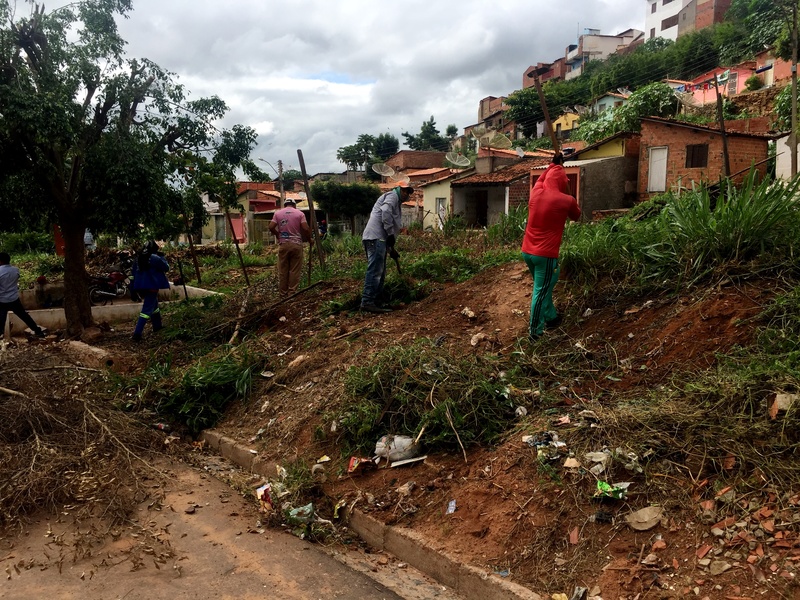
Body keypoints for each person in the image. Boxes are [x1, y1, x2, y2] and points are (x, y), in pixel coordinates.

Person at [521, 154, 581, 340]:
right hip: (545, 255)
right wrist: (570, 197)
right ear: (563, 182)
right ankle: (535, 333)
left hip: (527, 252)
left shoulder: (536, 191)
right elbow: (577, 216)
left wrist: (554, 164)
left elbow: (541, 178)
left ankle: (552, 318)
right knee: (540, 292)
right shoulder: (565, 200)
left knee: (544, 286)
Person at [360, 180, 413, 313]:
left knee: (380, 271)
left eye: (408, 192)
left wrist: (391, 250)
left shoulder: (396, 201)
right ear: (399, 189)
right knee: (375, 271)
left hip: (377, 239)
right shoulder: (392, 196)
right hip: (376, 238)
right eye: (405, 190)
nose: (407, 194)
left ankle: (376, 301)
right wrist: (390, 233)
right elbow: (385, 212)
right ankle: (367, 302)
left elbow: (387, 235)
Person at [269, 198, 312, 297]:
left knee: (283, 270)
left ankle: (283, 294)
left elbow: (271, 227)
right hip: (296, 244)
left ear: (285, 205)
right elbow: (305, 228)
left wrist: (277, 235)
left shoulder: (278, 213)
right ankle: (292, 293)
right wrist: (310, 240)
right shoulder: (300, 214)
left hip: (283, 244)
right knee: (294, 270)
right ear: (294, 205)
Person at [130, 241, 170, 342]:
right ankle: (137, 334)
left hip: (141, 287)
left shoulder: (138, 257)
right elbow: (166, 267)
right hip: (152, 286)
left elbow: (132, 274)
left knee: (154, 307)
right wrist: (162, 257)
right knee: (146, 311)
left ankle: (157, 326)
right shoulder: (154, 258)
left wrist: (132, 290)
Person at [0, 252, 46, 339]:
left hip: (2, 299)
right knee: (24, 316)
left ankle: (1, 335)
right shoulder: (15, 270)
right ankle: (37, 331)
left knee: (1, 319)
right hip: (14, 298)